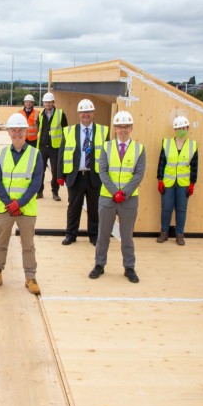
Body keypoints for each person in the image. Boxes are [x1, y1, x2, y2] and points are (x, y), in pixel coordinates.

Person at [0, 113, 44, 295]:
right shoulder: (1, 154)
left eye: (20, 130)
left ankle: (30, 277)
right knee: (1, 243)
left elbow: (36, 183)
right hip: (4, 208)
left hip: (26, 209)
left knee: (28, 245)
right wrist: (10, 203)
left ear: (26, 132)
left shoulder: (35, 154)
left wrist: (20, 204)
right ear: (8, 132)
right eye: (13, 130)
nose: (17, 133)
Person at [89, 111, 145, 283]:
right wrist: (115, 192)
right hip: (108, 198)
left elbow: (139, 174)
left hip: (129, 199)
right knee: (103, 234)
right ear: (114, 128)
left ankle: (129, 267)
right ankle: (99, 264)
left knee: (126, 235)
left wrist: (125, 193)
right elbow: (103, 171)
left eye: (126, 126)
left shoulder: (139, 149)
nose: (123, 130)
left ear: (131, 128)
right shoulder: (106, 147)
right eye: (120, 126)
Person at [58, 99, 108, 246]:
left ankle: (94, 235)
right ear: (79, 114)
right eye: (83, 111)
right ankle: (70, 234)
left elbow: (108, 155)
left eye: (89, 111)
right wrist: (60, 175)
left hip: (95, 176)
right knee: (73, 207)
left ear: (93, 113)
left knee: (94, 208)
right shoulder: (69, 131)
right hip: (76, 176)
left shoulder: (103, 131)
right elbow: (61, 153)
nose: (86, 114)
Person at [156, 116, 198, 245]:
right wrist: (160, 180)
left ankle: (180, 234)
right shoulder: (167, 143)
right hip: (168, 183)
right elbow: (161, 163)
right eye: (178, 128)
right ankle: (164, 232)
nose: (181, 130)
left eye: (183, 128)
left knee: (181, 209)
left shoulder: (193, 145)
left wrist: (192, 183)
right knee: (166, 208)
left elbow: (194, 166)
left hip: (183, 184)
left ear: (188, 128)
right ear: (174, 129)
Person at [36, 92, 67, 201]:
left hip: (55, 147)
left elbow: (65, 130)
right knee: (40, 170)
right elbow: (39, 129)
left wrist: (64, 146)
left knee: (55, 170)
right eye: (46, 102)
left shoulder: (60, 114)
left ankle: (55, 192)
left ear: (53, 102)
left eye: (49, 102)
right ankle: (39, 192)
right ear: (43, 103)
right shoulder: (40, 115)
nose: (48, 104)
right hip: (43, 146)